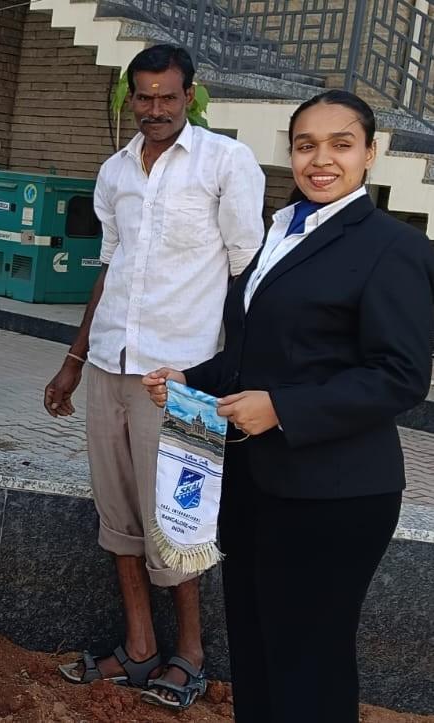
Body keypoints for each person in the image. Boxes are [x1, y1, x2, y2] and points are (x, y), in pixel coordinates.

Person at [144, 90, 434, 722]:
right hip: (255, 483)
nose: (320, 160)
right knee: (255, 648)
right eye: (306, 146)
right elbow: (258, 353)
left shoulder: (395, 247)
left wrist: (283, 409)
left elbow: (401, 376)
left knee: (308, 661)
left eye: (340, 144)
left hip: (334, 494)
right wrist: (191, 378)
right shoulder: (283, 230)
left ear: (370, 154)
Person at [46, 44, 266, 709]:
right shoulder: (114, 171)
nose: (155, 108)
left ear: (189, 96)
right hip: (110, 367)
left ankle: (190, 655)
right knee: (117, 516)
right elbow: (109, 271)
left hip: (181, 380)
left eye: (168, 96)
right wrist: (73, 360)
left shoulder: (225, 163)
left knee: (179, 519)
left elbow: (247, 273)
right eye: (143, 96)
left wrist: (230, 372)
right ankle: (139, 648)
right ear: (130, 97)